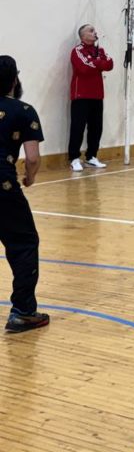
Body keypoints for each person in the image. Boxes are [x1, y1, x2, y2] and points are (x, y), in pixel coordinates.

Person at [0, 55, 49, 334]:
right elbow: (32, 158)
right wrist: (30, 178)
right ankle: (23, 312)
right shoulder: (24, 110)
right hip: (3, 186)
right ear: (14, 80)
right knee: (24, 243)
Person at [68, 24, 113, 172]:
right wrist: (99, 63)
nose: (95, 33)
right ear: (83, 36)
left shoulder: (100, 50)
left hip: (97, 95)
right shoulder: (77, 51)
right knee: (78, 127)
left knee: (96, 127)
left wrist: (95, 62)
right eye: (91, 31)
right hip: (81, 95)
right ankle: (74, 158)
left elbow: (109, 64)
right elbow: (84, 68)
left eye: (94, 30)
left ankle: (91, 156)